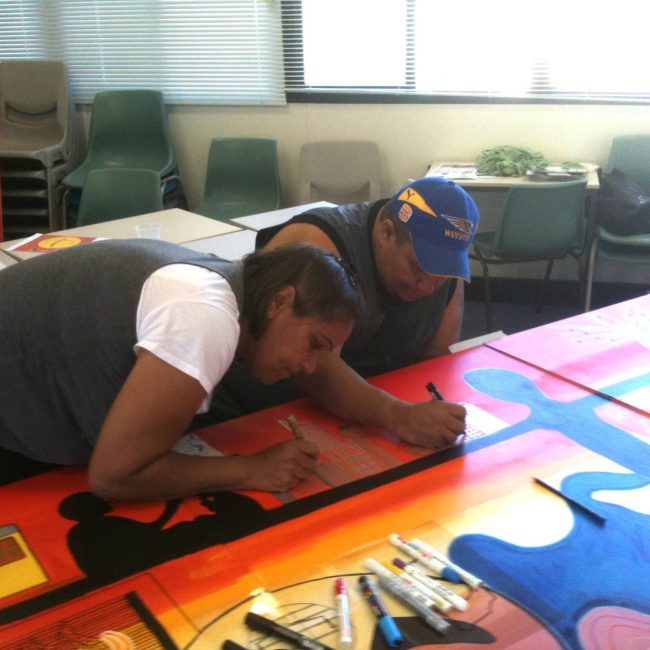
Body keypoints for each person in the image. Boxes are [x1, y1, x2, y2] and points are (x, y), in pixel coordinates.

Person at [0, 239, 359, 500]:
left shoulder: (221, 279)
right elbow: (114, 476)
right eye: (315, 343)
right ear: (279, 302)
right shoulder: (207, 316)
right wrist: (250, 469)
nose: (311, 367)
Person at [215, 176, 480, 449]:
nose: (428, 286)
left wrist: (433, 418)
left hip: (358, 414)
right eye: (418, 268)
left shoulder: (441, 274)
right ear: (386, 233)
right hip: (248, 409)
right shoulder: (316, 247)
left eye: (442, 276)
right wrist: (399, 415)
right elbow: (315, 370)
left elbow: (436, 360)